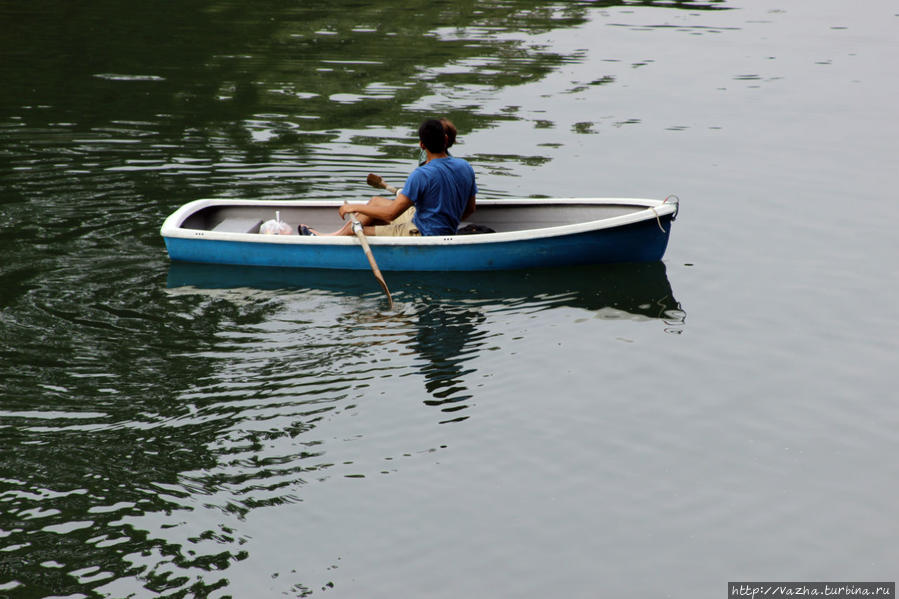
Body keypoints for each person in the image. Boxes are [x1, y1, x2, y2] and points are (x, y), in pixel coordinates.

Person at [311, 118, 476, 237]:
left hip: (422, 234)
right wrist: (448, 222)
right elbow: (470, 209)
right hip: (426, 222)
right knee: (376, 201)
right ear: (446, 140)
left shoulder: (421, 174)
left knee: (357, 228)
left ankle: (327, 239)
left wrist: (353, 207)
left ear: (422, 145)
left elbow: (390, 214)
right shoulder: (465, 167)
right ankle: (334, 235)